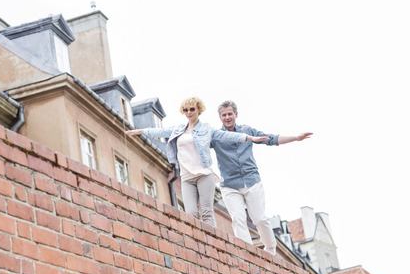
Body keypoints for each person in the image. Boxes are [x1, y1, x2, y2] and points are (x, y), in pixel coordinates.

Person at [125, 97, 269, 227]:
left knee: (206, 213)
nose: (189, 112)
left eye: (192, 109)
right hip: (187, 178)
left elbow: (228, 135)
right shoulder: (178, 130)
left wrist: (250, 138)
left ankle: (212, 245)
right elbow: (160, 132)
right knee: (191, 214)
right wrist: (141, 131)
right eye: (185, 110)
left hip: (204, 175)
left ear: (198, 110)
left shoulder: (206, 129)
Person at [210, 100, 312, 255]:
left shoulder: (247, 130)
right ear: (220, 117)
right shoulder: (216, 137)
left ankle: (270, 250)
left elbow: (270, 139)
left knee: (259, 219)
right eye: (224, 115)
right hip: (230, 185)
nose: (227, 117)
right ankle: (247, 252)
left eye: (230, 114)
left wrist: (296, 138)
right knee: (238, 219)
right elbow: (197, 146)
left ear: (236, 114)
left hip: (251, 181)